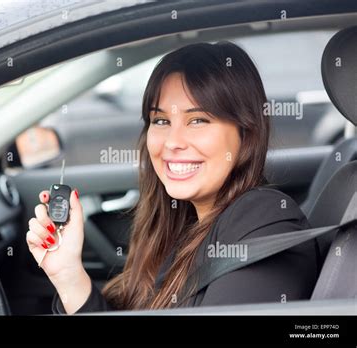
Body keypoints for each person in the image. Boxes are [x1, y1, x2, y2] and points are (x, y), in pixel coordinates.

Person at [26, 42, 318, 314]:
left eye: (198, 120)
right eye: (161, 121)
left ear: (245, 134)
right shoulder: (186, 225)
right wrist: (69, 276)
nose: (172, 142)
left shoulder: (262, 219)